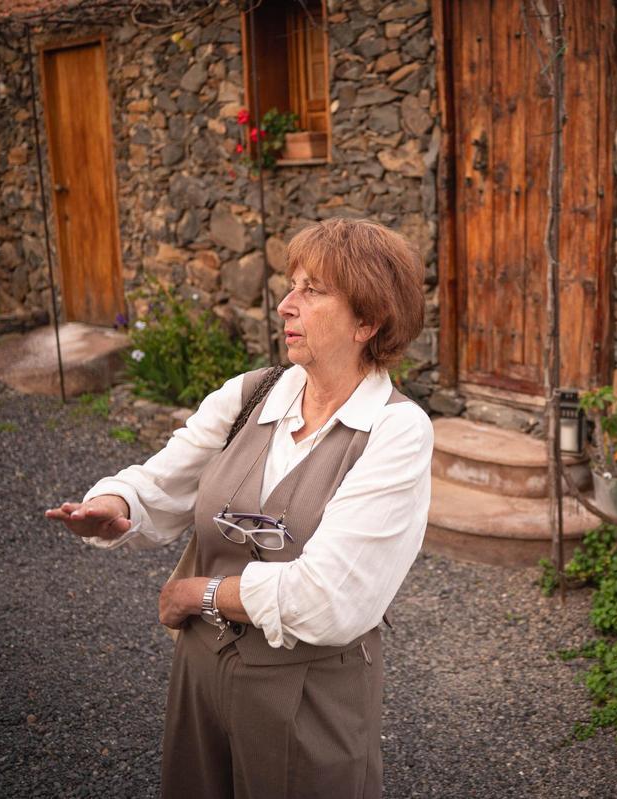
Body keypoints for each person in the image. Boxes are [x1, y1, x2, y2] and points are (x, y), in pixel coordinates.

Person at [45, 218, 433, 799]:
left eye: (313, 290)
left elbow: (327, 600)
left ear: (367, 321)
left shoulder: (395, 431)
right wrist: (115, 502)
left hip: (310, 693)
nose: (285, 305)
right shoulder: (251, 393)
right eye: (291, 284)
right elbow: (165, 481)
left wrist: (196, 594)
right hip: (200, 675)